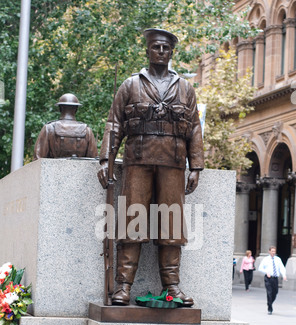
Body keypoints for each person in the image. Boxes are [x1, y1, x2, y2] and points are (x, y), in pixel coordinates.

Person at [97, 28, 204, 306]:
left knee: (171, 225)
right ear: (147, 50)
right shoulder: (130, 85)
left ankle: (172, 286)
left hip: (173, 162)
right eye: (155, 47)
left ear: (171, 53)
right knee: (133, 222)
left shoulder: (185, 87)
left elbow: (194, 127)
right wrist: (106, 160)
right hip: (138, 161)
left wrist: (197, 166)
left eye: (165, 48)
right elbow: (114, 124)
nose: (160, 52)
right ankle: (123, 286)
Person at [34, 93, 98, 159]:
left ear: (60, 108)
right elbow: (94, 160)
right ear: (76, 109)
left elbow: (37, 158)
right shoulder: (87, 131)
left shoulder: (49, 128)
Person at [258, 246, 287, 314]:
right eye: (272, 251)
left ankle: (269, 302)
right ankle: (270, 308)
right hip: (268, 278)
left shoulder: (278, 259)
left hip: (275, 278)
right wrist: (266, 272)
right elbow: (260, 268)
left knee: (275, 292)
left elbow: (282, 268)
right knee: (269, 292)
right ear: (269, 251)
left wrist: (284, 275)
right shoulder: (265, 259)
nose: (273, 252)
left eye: (274, 251)